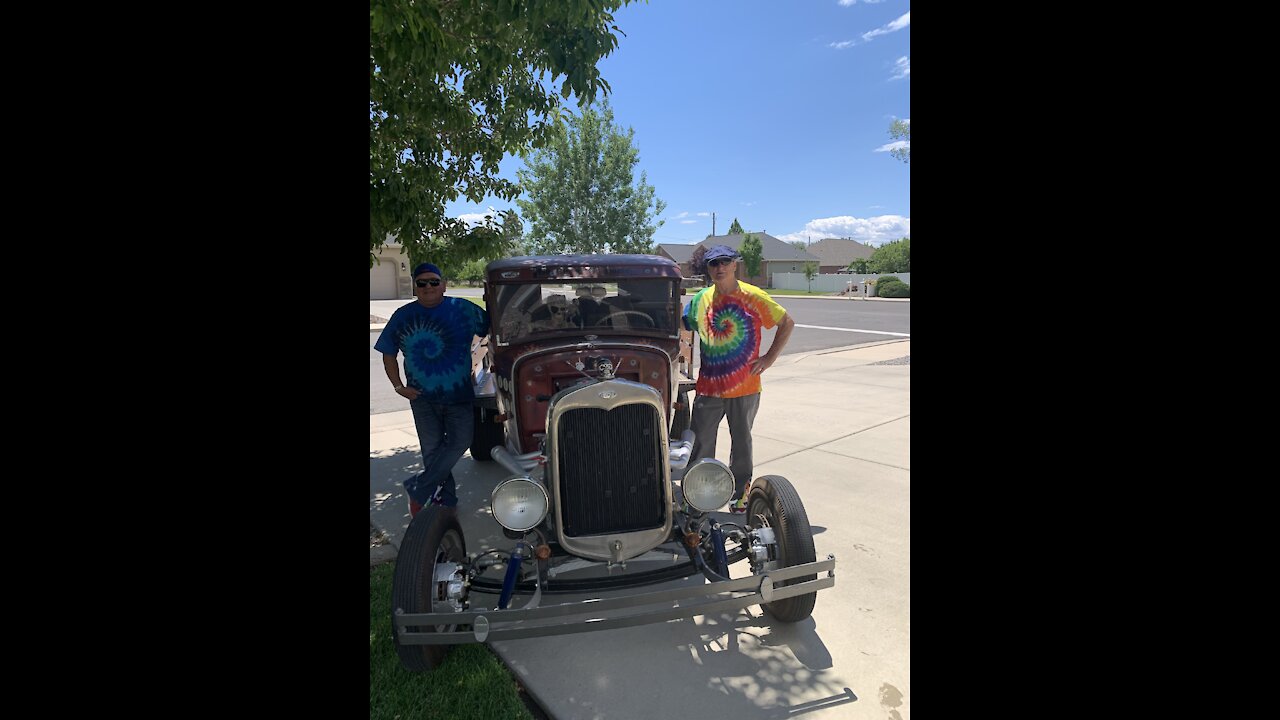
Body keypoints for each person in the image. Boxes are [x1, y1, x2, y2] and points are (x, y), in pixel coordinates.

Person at [682, 245, 794, 512]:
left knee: (741, 444)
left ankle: (739, 496)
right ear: (707, 269)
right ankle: (698, 496)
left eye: (725, 262)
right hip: (709, 387)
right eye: (713, 264)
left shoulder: (753, 296)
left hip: (745, 386)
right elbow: (681, 323)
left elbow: (786, 322)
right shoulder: (701, 299)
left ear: (735, 265)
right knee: (699, 443)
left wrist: (769, 358)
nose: (719, 268)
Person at [374, 262, 490, 517]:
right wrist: (398, 387)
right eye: (422, 283)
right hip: (421, 397)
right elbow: (388, 354)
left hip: (458, 394)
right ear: (415, 288)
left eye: (433, 282)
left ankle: (419, 487)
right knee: (432, 450)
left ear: (444, 284)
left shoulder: (462, 309)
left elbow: (490, 328)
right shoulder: (403, 316)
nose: (428, 287)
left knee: (461, 441)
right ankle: (445, 500)